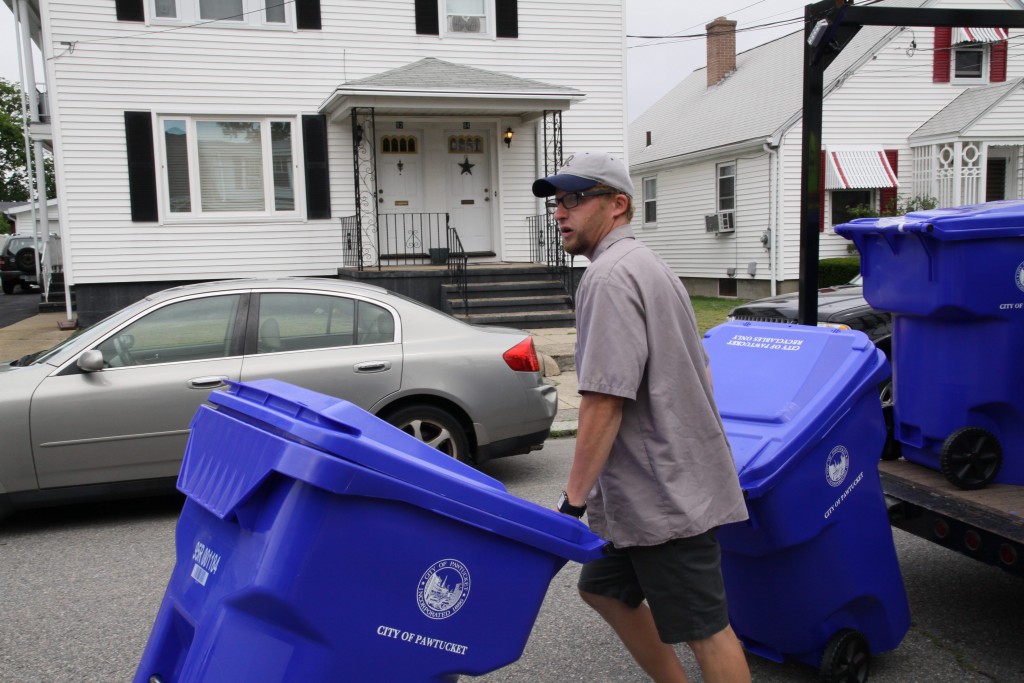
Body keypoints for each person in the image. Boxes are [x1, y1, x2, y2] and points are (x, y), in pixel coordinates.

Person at [533, 152, 751, 683]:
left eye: (575, 199)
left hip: (664, 495)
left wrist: (573, 501)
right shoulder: (649, 266)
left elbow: (604, 401)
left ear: (618, 204)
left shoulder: (609, 278)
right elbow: (699, 367)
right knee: (602, 588)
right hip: (654, 486)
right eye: (557, 202)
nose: (561, 212)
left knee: (705, 628)